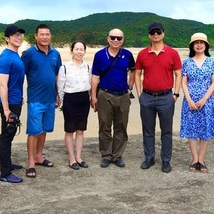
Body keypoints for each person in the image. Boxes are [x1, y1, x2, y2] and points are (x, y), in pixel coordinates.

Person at [135, 22, 182, 173]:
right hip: (147, 97)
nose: (156, 35)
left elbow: (178, 73)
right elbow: (137, 73)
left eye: (158, 32)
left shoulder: (172, 53)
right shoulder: (143, 54)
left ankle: (166, 161)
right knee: (148, 130)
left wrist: (175, 93)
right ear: (149, 35)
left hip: (166, 97)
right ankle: (149, 158)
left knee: (166, 131)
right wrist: (139, 93)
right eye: (152, 32)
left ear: (163, 33)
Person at [21, 24, 62, 178]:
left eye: (47, 34)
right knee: (33, 131)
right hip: (35, 99)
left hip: (50, 98)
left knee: (44, 129)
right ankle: (31, 162)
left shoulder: (55, 54)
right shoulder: (29, 54)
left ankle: (39, 156)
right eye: (42, 34)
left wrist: (58, 94)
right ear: (36, 36)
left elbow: (57, 75)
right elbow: (20, 74)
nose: (45, 37)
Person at [90, 28, 135, 168]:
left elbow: (133, 70)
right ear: (108, 38)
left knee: (121, 126)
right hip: (104, 94)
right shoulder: (99, 55)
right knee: (105, 125)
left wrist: (130, 87)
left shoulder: (127, 54)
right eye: (113, 37)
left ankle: (117, 155)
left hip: (123, 95)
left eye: (119, 38)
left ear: (123, 40)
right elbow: (95, 76)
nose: (116, 40)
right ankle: (106, 154)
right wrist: (93, 96)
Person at [180, 33, 214, 173]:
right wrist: (189, 99)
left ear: (206, 45)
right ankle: (194, 158)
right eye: (196, 42)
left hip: (207, 102)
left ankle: (201, 159)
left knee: (205, 129)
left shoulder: (212, 62)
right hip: (189, 101)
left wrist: (204, 99)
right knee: (191, 129)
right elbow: (183, 82)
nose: (198, 45)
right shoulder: (187, 62)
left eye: (201, 42)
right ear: (192, 45)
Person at [0, 25, 26, 183]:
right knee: (6, 136)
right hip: (10, 105)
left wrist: (1, 89)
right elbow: (3, 85)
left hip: (15, 101)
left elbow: (7, 82)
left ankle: (8, 164)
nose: (18, 37)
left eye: (20, 35)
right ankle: (5, 173)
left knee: (10, 134)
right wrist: (6, 110)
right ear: (7, 38)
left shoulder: (15, 55)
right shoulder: (6, 57)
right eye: (14, 35)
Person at [57, 40, 91, 170]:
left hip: (84, 99)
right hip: (70, 100)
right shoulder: (65, 67)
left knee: (81, 130)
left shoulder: (87, 67)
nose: (79, 52)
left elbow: (89, 85)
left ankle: (79, 157)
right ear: (72, 51)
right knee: (70, 130)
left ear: (84, 51)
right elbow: (61, 87)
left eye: (81, 49)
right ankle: (71, 158)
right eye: (76, 49)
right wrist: (63, 103)